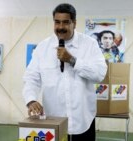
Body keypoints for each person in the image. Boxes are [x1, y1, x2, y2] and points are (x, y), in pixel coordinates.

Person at [22, 3, 107, 141]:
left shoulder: (89, 44)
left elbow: (100, 74)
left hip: (83, 121)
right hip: (53, 122)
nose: (60, 27)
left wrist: (73, 60)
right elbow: (31, 78)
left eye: (66, 22)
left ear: (74, 23)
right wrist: (30, 99)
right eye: (57, 22)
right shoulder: (43, 48)